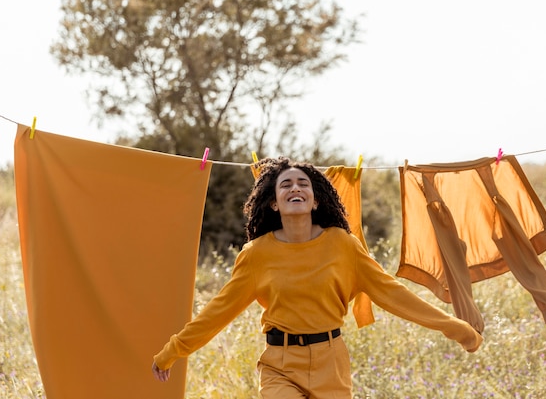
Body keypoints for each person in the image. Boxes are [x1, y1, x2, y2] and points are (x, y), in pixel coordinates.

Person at [152, 157, 483, 398]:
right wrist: (172, 351)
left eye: (303, 183)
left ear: (316, 199)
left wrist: (454, 327)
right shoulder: (256, 255)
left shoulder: (343, 245)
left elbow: (392, 294)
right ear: (273, 203)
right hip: (280, 365)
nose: (295, 188)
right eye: (286, 184)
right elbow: (217, 312)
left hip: (331, 363)